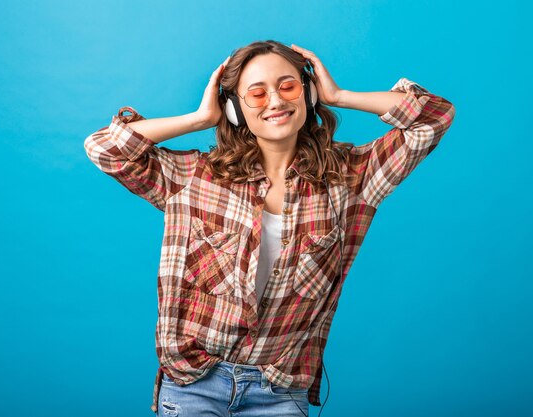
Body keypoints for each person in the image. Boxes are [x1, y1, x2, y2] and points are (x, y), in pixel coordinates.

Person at [83, 39, 455, 417]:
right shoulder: (194, 177)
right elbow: (104, 149)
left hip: (279, 391)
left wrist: (340, 95)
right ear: (233, 109)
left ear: (308, 93)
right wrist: (199, 118)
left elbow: (433, 117)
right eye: (256, 94)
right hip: (194, 384)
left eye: (288, 86)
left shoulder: (350, 179)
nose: (275, 101)